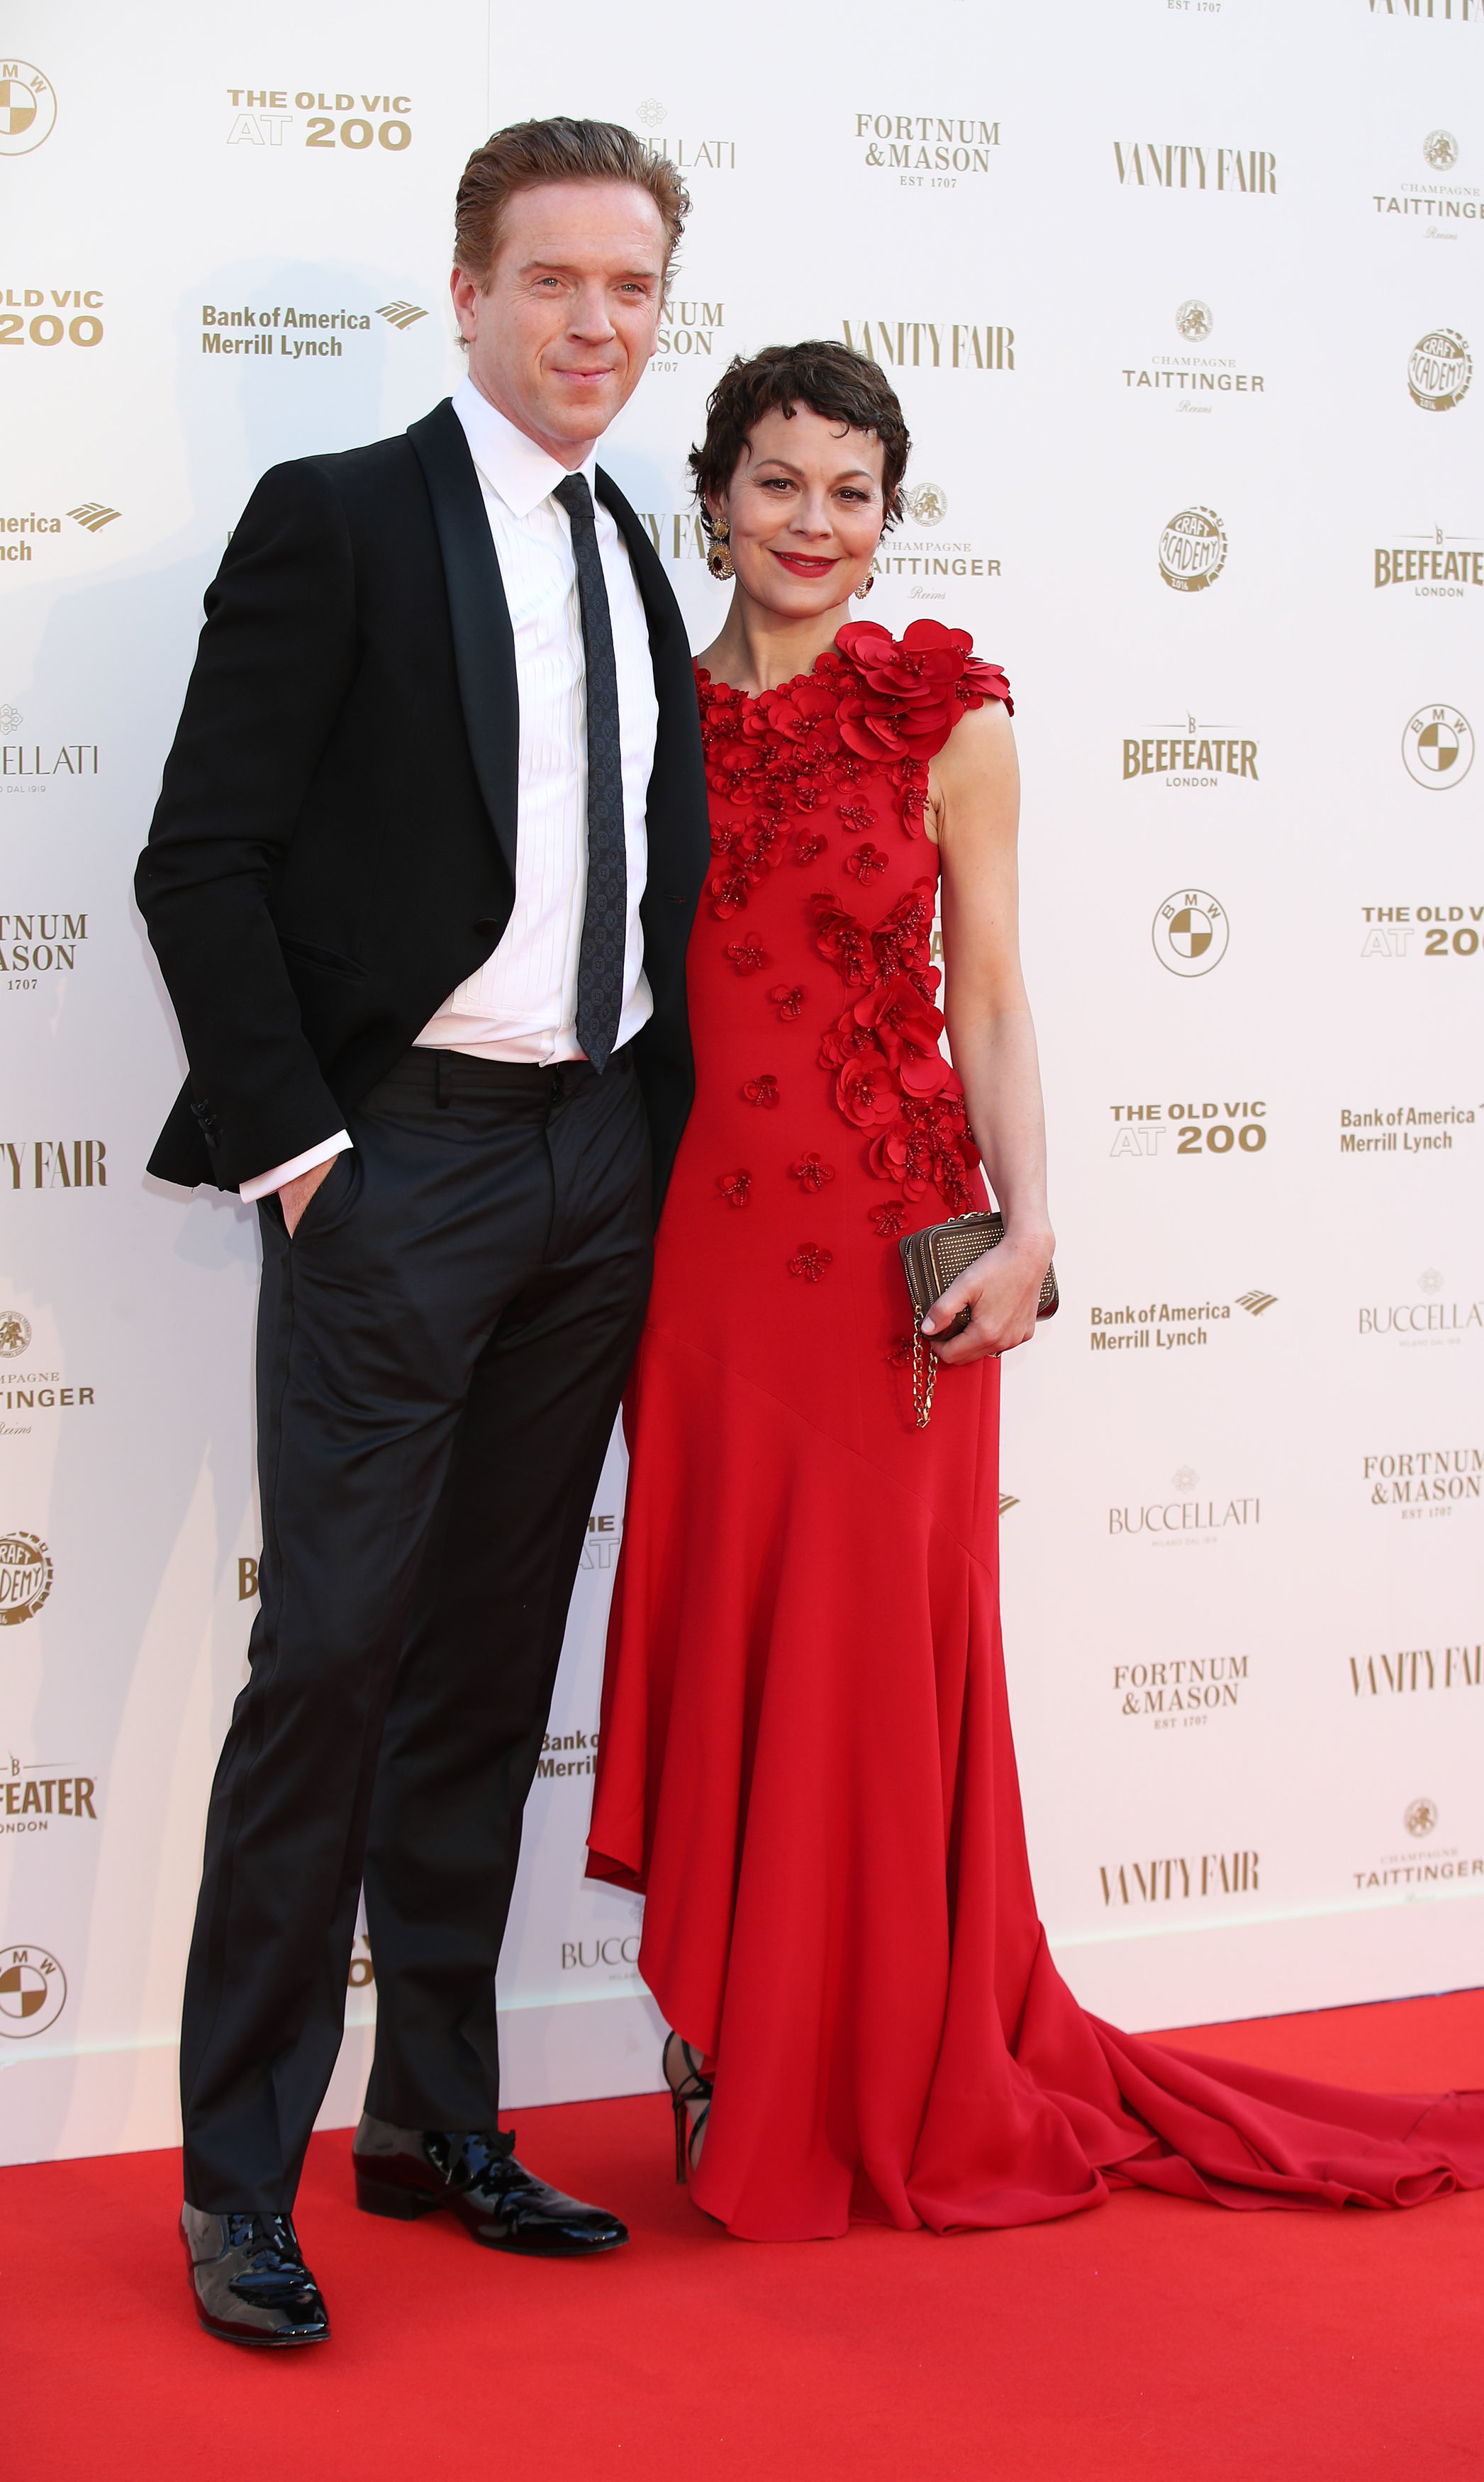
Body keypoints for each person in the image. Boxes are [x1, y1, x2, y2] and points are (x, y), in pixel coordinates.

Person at [586, 341, 1484, 2241]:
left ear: (886, 513)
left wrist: (1030, 1232)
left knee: (872, 1651)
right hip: (695, 1257)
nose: (812, 524)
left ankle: (871, 2049)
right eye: (777, 482)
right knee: (735, 1628)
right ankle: (735, 2037)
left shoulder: (948, 713)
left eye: (850, 490)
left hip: (891, 1261)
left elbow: (995, 997)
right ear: (710, 496)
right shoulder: (633, 714)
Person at [135, 118, 710, 2345]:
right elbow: (204, 855)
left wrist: (639, 1146)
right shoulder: (345, 518)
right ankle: (230, 2182)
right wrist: (302, 1150)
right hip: (405, 1163)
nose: (593, 324)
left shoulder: (631, 547)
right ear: (464, 292)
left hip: (589, 1167)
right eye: (554, 282)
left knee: (479, 1670)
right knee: (333, 1668)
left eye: (632, 291)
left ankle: (433, 2120)